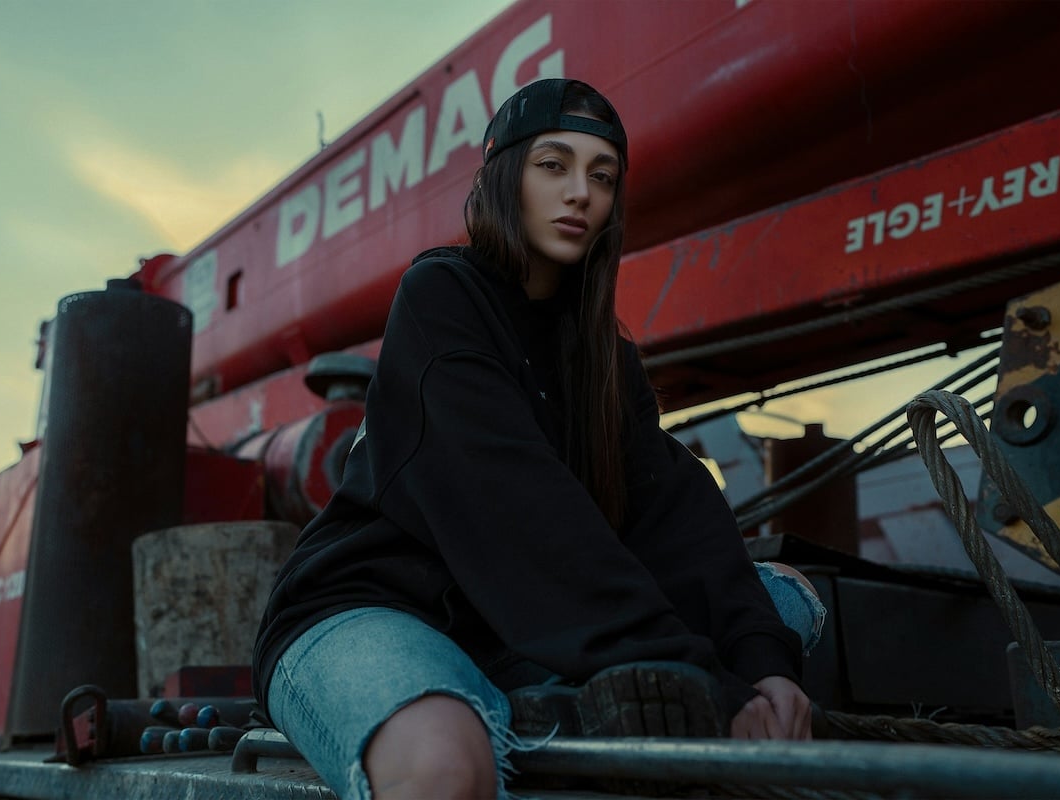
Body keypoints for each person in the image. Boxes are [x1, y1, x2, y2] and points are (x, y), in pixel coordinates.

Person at [252, 78, 826, 800]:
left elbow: (676, 515)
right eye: (553, 165)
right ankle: (531, 698)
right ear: (504, 176)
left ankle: (550, 693)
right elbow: (514, 507)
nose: (580, 192)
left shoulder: (605, 359)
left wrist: (763, 666)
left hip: (513, 625)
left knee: (786, 599)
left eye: (602, 175)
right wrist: (710, 680)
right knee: (443, 766)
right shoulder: (441, 298)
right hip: (376, 609)